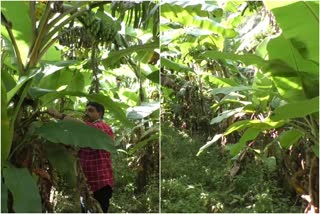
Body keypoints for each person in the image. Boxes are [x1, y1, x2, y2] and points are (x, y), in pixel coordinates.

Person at [48, 102, 114, 213]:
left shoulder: (102, 127)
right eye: (86, 110)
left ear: (100, 113)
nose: (86, 113)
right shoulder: (85, 134)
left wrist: (60, 116)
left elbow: (81, 126)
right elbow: (72, 143)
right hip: (87, 183)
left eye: (91, 110)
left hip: (101, 183)